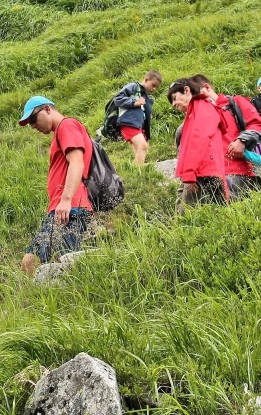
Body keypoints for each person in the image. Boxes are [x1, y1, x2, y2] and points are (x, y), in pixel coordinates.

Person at [17, 96, 94, 275]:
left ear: (47, 109)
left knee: (57, 265)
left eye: (33, 119)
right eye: (29, 123)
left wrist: (66, 200)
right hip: (65, 209)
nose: (33, 126)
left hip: (71, 208)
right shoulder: (61, 131)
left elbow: (77, 162)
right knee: (36, 262)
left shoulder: (67, 126)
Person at [194, 74, 261, 199]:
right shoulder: (198, 116)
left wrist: (242, 141)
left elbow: (258, 124)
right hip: (214, 178)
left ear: (207, 87)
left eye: (197, 96)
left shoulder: (235, 102)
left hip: (245, 172)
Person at [167, 78, 228, 207]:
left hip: (202, 172)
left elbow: (199, 140)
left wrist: (189, 174)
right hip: (198, 172)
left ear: (186, 90)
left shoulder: (203, 107)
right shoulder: (195, 111)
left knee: (188, 214)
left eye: (174, 98)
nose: (173, 104)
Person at [112, 70, 162, 166]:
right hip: (128, 122)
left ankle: (136, 172)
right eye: (153, 85)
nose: (154, 89)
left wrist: (147, 115)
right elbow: (117, 99)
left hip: (137, 125)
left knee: (140, 151)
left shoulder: (146, 96)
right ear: (146, 79)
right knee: (143, 146)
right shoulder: (133, 87)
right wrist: (134, 102)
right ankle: (136, 172)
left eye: (156, 87)